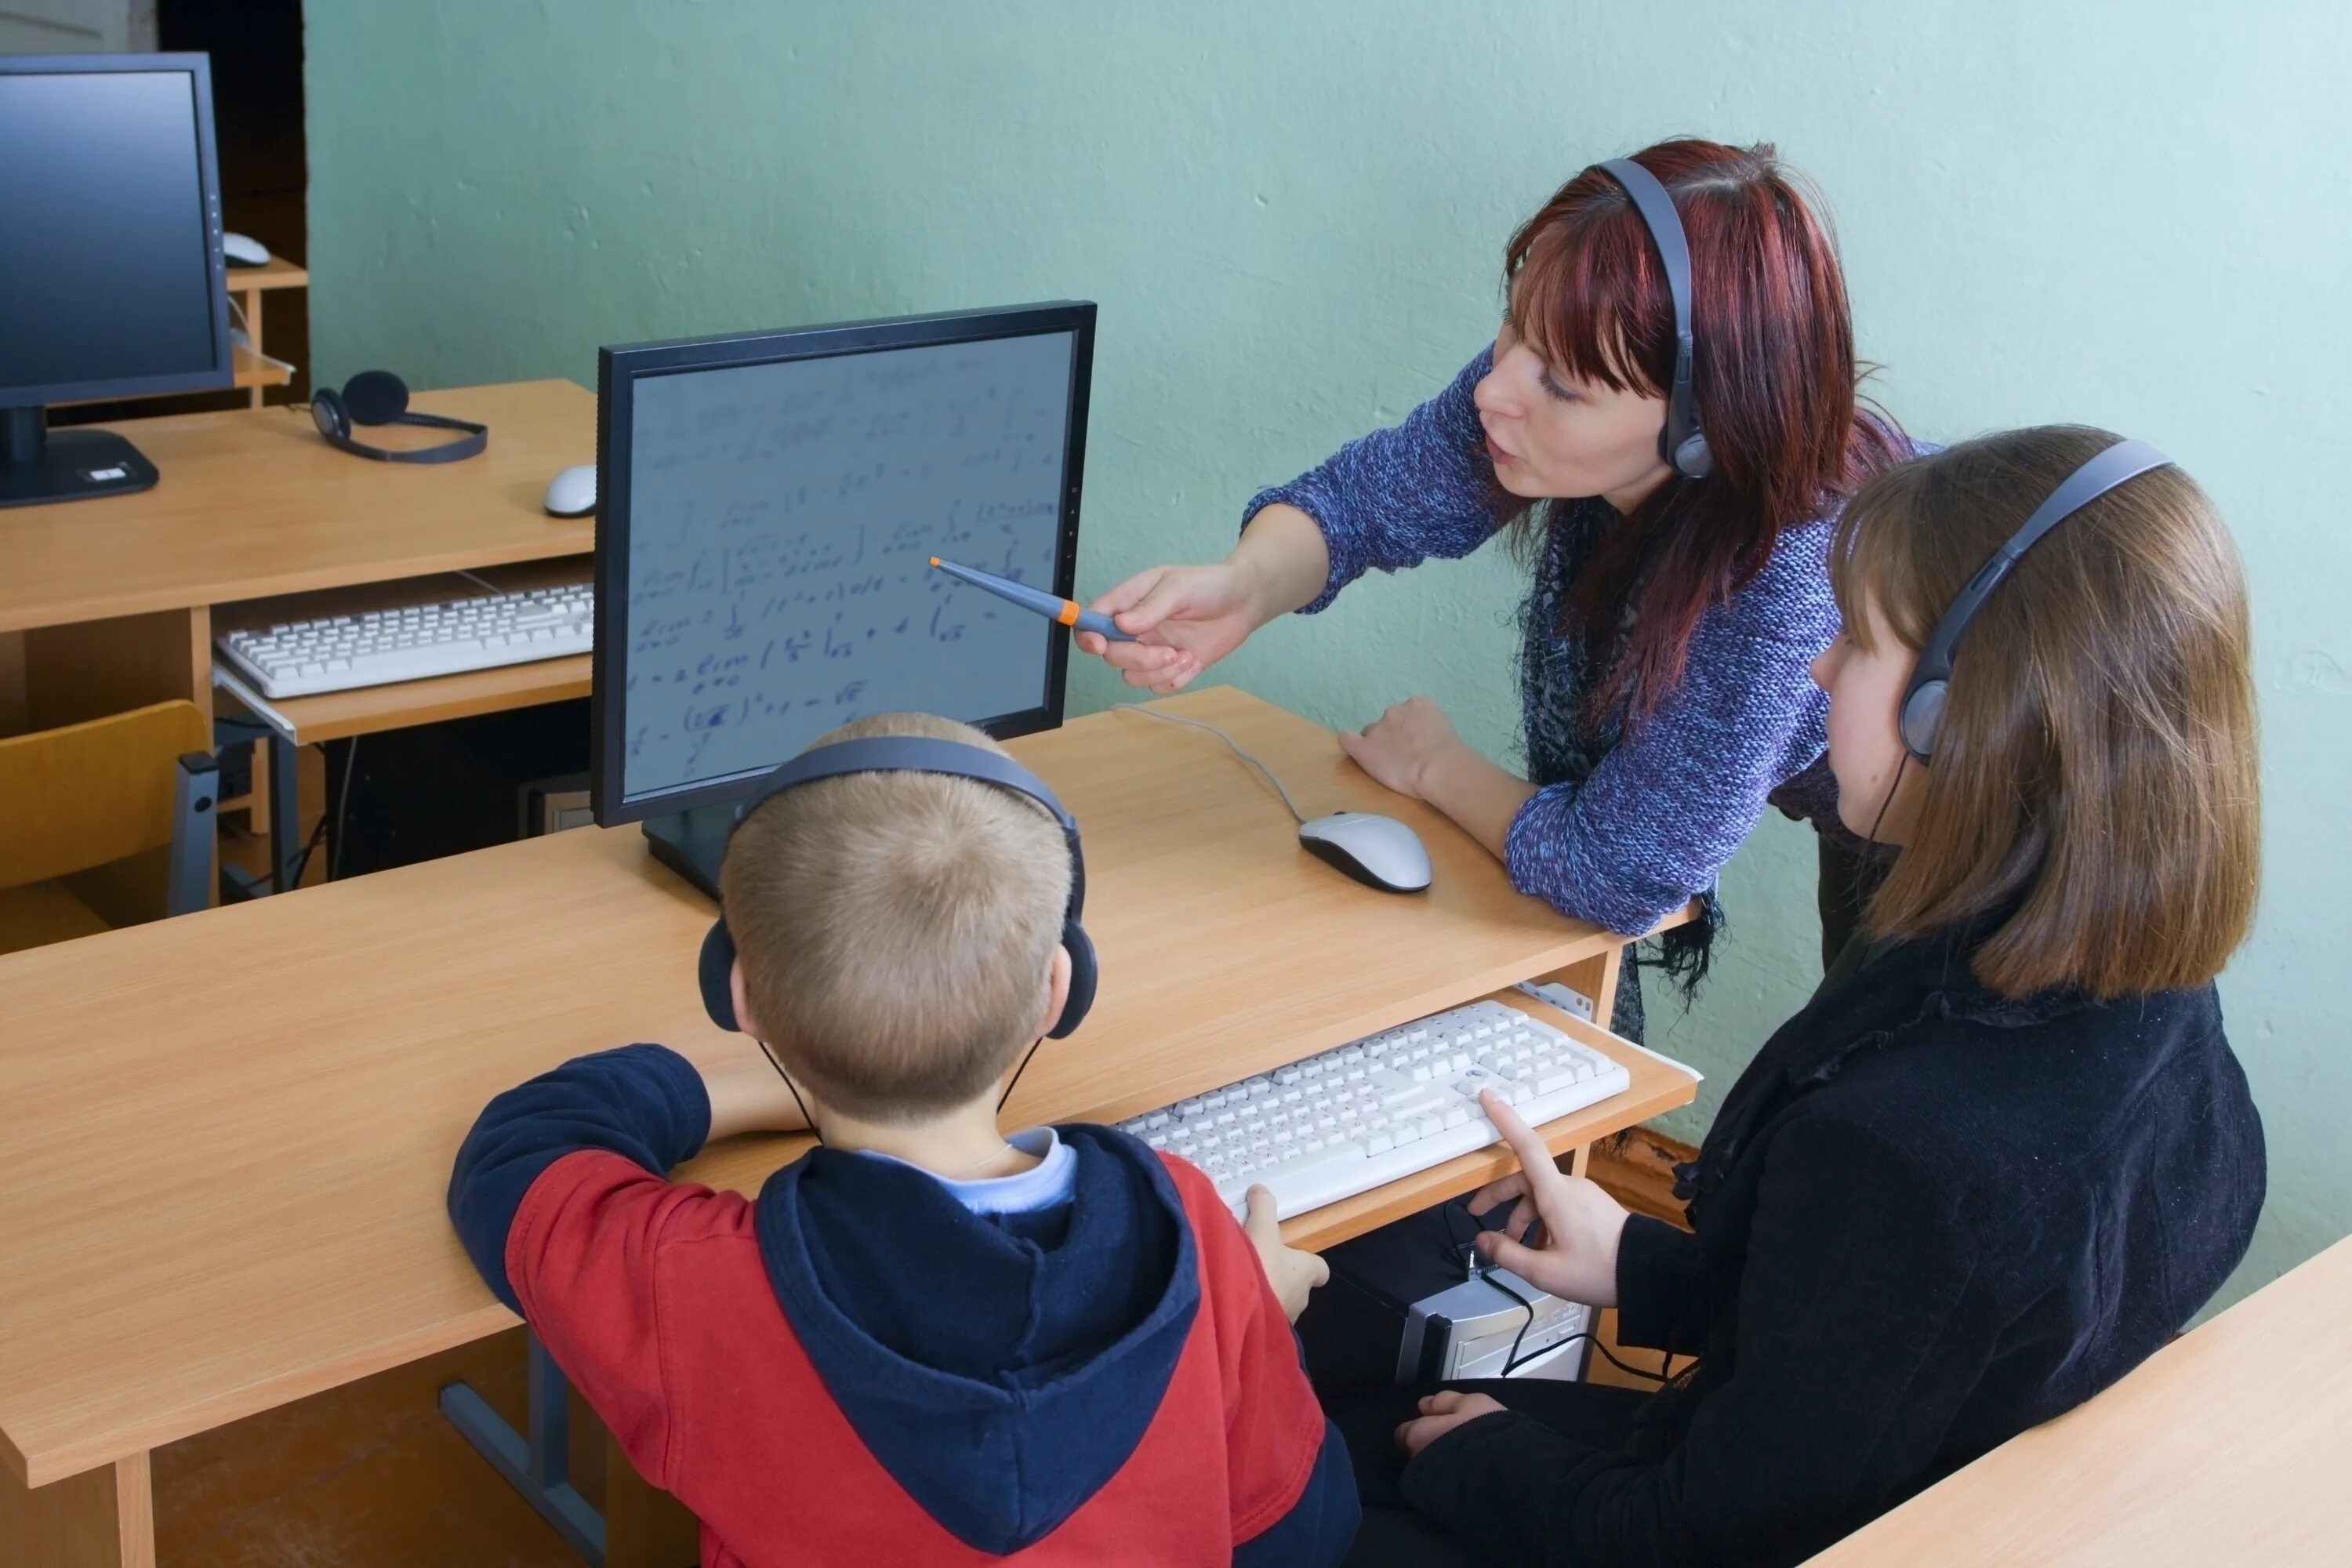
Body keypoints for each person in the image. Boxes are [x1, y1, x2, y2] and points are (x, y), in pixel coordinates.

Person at [1332, 427, 2267, 1565]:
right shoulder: (2145, 990)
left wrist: (1487, 1463)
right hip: (1913, 1498)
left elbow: (1701, 1536)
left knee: (1316, 1474)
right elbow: (1912, 1342)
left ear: (1956, 714)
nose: (1818, 670)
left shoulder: (1912, 1154)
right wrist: (1643, 1267)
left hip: (1730, 1529)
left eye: (1858, 643)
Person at [448, 712, 1357, 1566]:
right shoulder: (1187, 1235)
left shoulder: (702, 1286)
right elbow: (1305, 1531)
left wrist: (723, 1089)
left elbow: (516, 1158)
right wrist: (1250, 1323)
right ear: (1058, 990)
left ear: (737, 994)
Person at [1080, 139, 1914, 1035]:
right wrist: (1245, 586)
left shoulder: (1787, 575)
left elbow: (1620, 870)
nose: (1497, 391)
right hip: (1871, 791)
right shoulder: (1531, 396)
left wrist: (1436, 767)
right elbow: (1365, 501)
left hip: (2015, 815)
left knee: (1877, 1092)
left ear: (1702, 427)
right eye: (1514, 327)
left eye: (1559, 382)